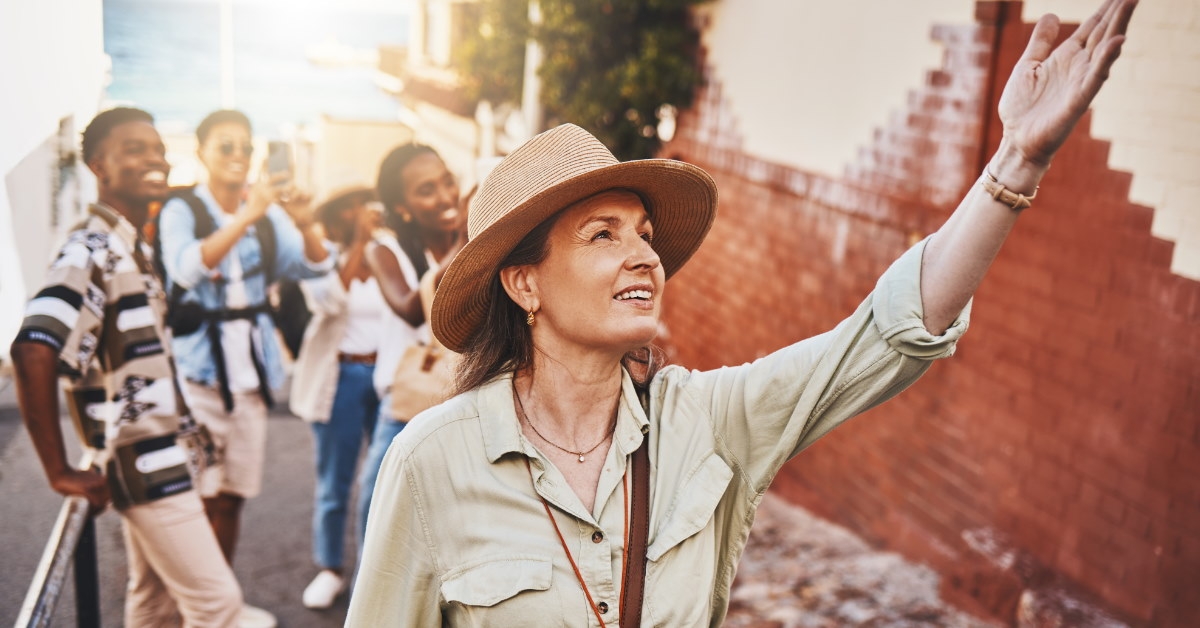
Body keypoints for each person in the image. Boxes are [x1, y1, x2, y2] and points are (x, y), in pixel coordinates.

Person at [345, 1, 1138, 625]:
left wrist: (1017, 160)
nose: (644, 255)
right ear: (525, 286)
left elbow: (883, 337)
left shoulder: (708, 424)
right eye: (602, 235)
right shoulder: (431, 464)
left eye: (644, 234)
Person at [10, 107, 243, 626]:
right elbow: (33, 348)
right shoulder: (91, 247)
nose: (154, 159)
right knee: (219, 605)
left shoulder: (129, 244)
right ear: (99, 166)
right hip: (147, 466)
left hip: (163, 457)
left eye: (158, 149)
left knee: (153, 604)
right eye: (134, 149)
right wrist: (58, 471)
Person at [156, 109, 334, 627]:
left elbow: (315, 265)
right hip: (197, 379)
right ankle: (198, 612)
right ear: (202, 152)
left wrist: (305, 221)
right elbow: (186, 269)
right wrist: (246, 215)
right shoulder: (183, 209)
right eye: (225, 146)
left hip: (251, 382)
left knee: (232, 498)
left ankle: (219, 608)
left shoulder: (267, 215)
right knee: (193, 504)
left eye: (245, 147)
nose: (238, 156)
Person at [354, 143, 466, 546]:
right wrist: (466, 239)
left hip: (464, 400)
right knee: (378, 515)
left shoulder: (475, 244)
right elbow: (411, 309)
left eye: (447, 181)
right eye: (426, 190)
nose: (445, 196)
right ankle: (367, 585)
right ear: (402, 207)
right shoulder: (384, 251)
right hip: (407, 404)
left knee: (450, 521)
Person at [288, 186, 388, 609]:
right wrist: (360, 243)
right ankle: (329, 567)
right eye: (348, 207)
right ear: (333, 216)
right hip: (341, 375)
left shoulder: (389, 252)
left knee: (383, 479)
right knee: (335, 481)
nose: (358, 212)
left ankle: (376, 572)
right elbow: (331, 301)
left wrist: (372, 243)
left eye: (362, 204)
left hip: (386, 377)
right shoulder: (320, 255)